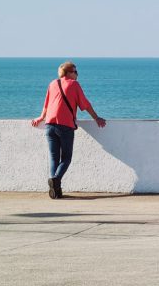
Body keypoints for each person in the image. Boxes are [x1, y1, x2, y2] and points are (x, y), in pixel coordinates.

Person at [31, 61, 106, 199]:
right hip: (65, 126)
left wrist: (41, 118)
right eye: (75, 71)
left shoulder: (53, 84)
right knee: (66, 158)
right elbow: (86, 104)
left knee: (54, 158)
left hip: (49, 125)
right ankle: (56, 179)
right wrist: (97, 118)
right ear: (69, 73)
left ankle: (56, 191)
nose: (77, 74)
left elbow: (46, 105)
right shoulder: (74, 85)